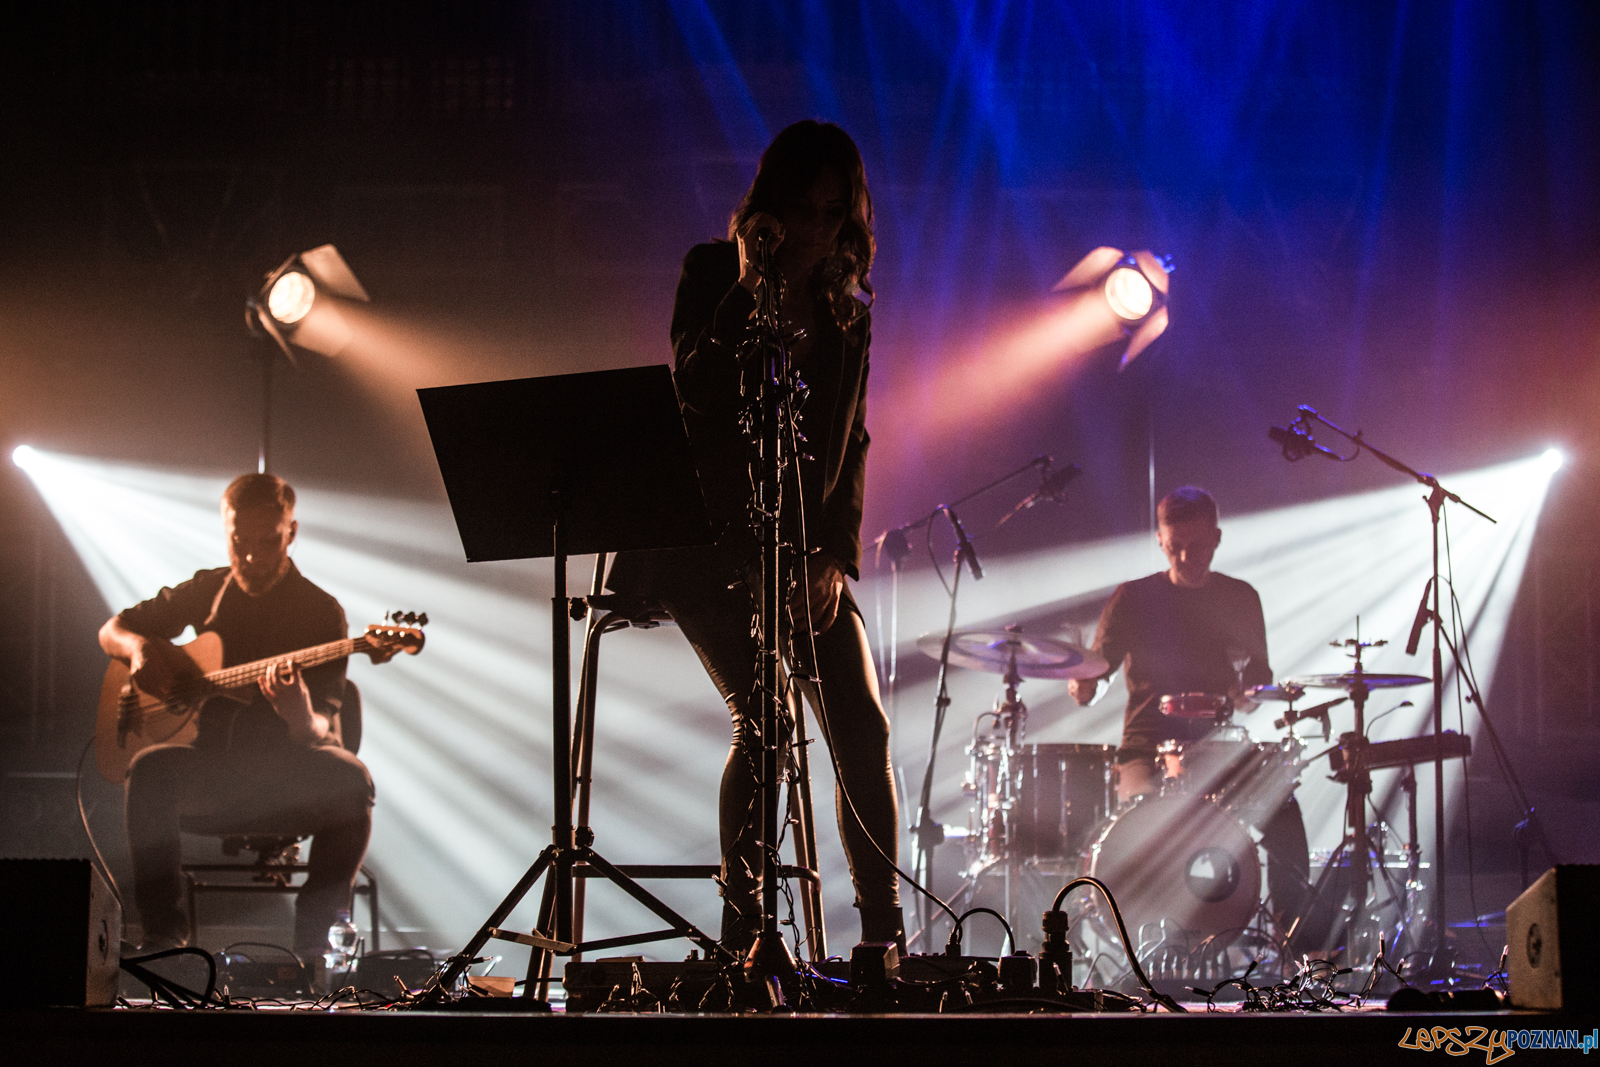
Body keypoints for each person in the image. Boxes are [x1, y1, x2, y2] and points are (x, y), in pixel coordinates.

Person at [607, 120, 902, 952]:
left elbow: (853, 438)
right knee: (765, 722)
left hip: (802, 548)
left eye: (833, 215)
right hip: (704, 542)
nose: (817, 231)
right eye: (802, 211)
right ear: (770, 207)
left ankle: (883, 937)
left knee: (863, 727)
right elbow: (693, 387)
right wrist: (747, 282)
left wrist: (834, 557)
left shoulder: (848, 314)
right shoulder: (712, 272)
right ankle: (746, 932)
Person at [100, 473, 373, 955]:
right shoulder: (207, 590)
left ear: (291, 532)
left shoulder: (321, 612)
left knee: (353, 781)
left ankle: (315, 948)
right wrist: (139, 650)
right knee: (148, 771)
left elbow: (322, 726)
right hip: (214, 769)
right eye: (238, 542)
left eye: (267, 541)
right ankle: (164, 936)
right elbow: (112, 630)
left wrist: (299, 716)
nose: (251, 557)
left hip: (289, 772)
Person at [1069, 486, 1309, 925]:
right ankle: (1143, 936)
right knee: (1145, 828)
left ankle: (1293, 938)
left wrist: (1246, 696)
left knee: (1284, 814)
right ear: (1160, 541)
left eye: (1197, 546)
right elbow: (1095, 676)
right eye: (1174, 546)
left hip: (1221, 748)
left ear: (1216, 539)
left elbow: (1257, 685)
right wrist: (1084, 687)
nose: (1184, 557)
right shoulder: (1133, 598)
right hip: (1146, 747)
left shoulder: (1241, 597)